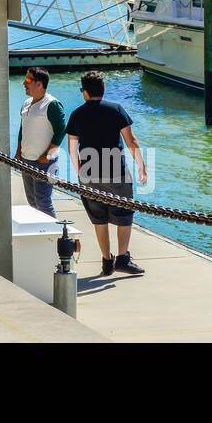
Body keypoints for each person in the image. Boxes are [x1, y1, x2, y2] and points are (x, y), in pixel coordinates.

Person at [65, 71, 148, 277]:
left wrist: (79, 172)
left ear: (85, 93)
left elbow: (72, 148)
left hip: (88, 175)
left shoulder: (77, 114)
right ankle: (122, 258)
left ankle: (106, 261)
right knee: (124, 214)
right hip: (116, 174)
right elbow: (131, 141)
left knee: (99, 219)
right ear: (103, 90)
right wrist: (141, 166)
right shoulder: (116, 109)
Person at [13, 67, 65, 218]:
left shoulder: (52, 104)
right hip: (26, 160)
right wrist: (18, 153)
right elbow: (23, 129)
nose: (24, 83)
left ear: (39, 84)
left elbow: (61, 130)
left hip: (44, 163)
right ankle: (41, 232)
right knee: (32, 203)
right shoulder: (26, 103)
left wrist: (47, 155)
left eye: (28, 80)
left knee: (43, 203)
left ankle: (56, 236)